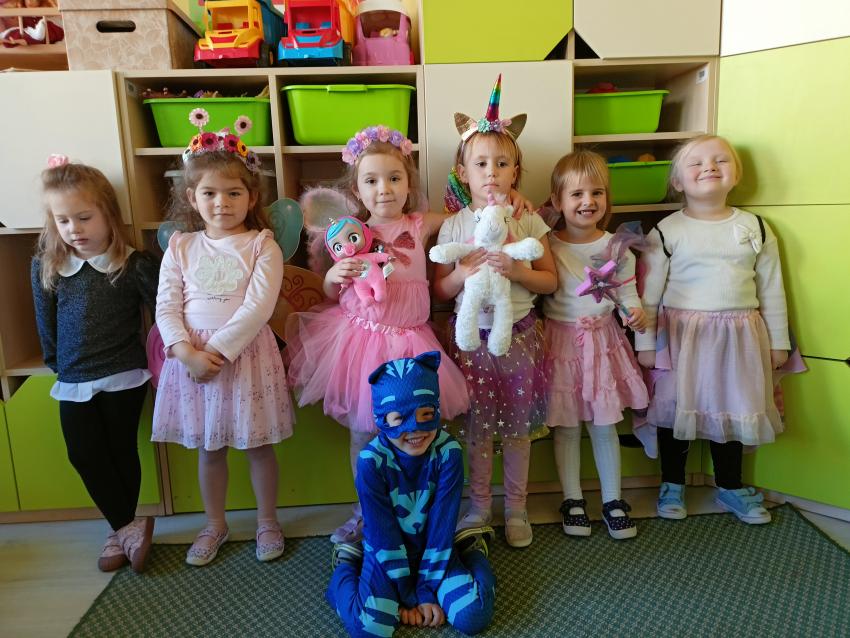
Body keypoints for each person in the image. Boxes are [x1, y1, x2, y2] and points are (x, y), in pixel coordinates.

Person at [285, 125, 471, 544]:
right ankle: (367, 511)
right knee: (365, 433)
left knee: (418, 432)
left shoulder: (420, 224)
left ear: (408, 184)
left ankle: (415, 511)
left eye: (393, 178)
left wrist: (504, 201)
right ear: (357, 190)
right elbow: (331, 293)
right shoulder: (350, 234)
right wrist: (334, 274)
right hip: (360, 343)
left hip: (412, 342)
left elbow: (467, 217)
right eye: (371, 181)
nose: (383, 189)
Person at [152, 112, 294, 565]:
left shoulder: (262, 244)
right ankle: (214, 523)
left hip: (245, 356)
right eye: (210, 193)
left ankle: (267, 521)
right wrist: (184, 352)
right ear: (192, 197)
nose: (222, 203)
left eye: (234, 192)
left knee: (257, 447)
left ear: (251, 196)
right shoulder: (181, 246)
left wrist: (214, 351)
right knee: (209, 449)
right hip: (192, 360)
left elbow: (258, 307)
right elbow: (166, 305)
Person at [637, 135, 796, 524]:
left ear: (735, 174)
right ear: (677, 182)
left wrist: (778, 342)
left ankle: (730, 485)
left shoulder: (755, 227)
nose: (709, 166)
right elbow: (648, 295)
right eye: (696, 163)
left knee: (734, 408)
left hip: (739, 338)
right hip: (681, 338)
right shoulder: (666, 231)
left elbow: (771, 289)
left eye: (720, 160)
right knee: (675, 409)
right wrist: (645, 343)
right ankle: (672, 483)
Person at [433, 76, 558, 548]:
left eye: (502, 164)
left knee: (518, 431)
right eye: (481, 164)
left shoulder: (527, 219)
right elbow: (439, 289)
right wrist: (461, 275)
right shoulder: (453, 225)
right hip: (472, 342)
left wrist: (519, 271)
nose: (491, 173)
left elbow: (550, 280)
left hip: (520, 336)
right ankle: (481, 505)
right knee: (478, 431)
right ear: (463, 172)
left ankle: (517, 508)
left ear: (515, 172)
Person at [31, 156, 159, 572]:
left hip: (124, 374)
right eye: (63, 220)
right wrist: (56, 362)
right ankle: (127, 526)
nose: (74, 229)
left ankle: (117, 530)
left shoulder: (133, 263)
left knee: (120, 451)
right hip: (73, 377)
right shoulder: (48, 265)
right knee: (83, 454)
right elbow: (45, 320)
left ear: (108, 213)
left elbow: (163, 312)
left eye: (84, 218)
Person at [326, 351, 496, 637]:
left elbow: (442, 524)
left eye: (425, 415)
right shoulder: (370, 462)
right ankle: (346, 563)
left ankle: (472, 551)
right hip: (386, 553)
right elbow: (382, 532)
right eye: (399, 419)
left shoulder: (448, 453)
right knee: (368, 629)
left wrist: (425, 591)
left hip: (436, 549)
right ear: (382, 420)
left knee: (473, 616)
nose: (415, 430)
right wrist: (408, 596)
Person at [542, 150, 650, 539]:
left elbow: (627, 292)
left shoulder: (617, 246)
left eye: (597, 193)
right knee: (567, 426)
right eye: (577, 194)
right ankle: (572, 499)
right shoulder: (547, 243)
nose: (588, 201)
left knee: (604, 424)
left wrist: (635, 313)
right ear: (557, 201)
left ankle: (613, 500)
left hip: (604, 341)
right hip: (560, 343)